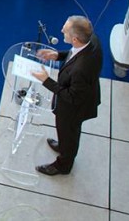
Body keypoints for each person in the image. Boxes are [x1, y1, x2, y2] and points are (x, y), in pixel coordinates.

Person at [32, 15, 102, 176]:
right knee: (65, 133)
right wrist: (57, 55)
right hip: (79, 94)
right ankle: (63, 145)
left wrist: (46, 80)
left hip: (73, 109)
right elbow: (74, 53)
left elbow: (72, 97)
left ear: (75, 39)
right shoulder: (91, 40)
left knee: (69, 134)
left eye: (65, 30)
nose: (61, 30)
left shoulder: (81, 69)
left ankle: (63, 165)